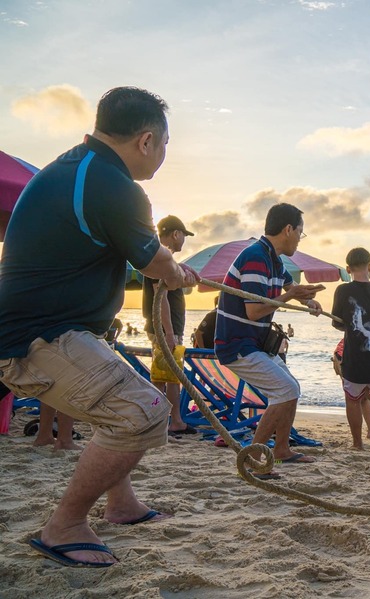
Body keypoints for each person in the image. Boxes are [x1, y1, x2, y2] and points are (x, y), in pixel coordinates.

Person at [0, 87, 199, 567]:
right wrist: (174, 271)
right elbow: (155, 262)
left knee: (124, 395)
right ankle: (63, 526)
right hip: (37, 338)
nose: (164, 156)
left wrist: (166, 267)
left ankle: (122, 504)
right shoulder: (114, 185)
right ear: (147, 140)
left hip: (54, 332)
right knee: (145, 411)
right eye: (167, 144)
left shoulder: (77, 169)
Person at [214, 203, 324, 474]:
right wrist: (290, 297)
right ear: (288, 229)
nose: (300, 238)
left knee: (292, 388)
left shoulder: (273, 259)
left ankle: (282, 449)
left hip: (254, 344)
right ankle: (253, 458)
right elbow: (254, 311)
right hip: (237, 345)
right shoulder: (255, 257)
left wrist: (309, 301)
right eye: (301, 232)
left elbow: (290, 287)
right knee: (285, 390)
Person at [330, 247, 370, 451]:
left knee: (353, 400)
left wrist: (349, 325)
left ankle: (357, 444)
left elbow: (337, 322)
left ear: (348, 269)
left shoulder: (342, 290)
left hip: (355, 357)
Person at [142, 215, 194, 435]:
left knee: (165, 376)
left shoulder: (165, 260)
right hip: (165, 329)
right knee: (167, 378)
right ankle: (172, 421)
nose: (184, 241)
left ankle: (165, 420)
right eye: (184, 236)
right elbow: (159, 296)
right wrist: (169, 333)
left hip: (164, 328)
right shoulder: (160, 258)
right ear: (175, 234)